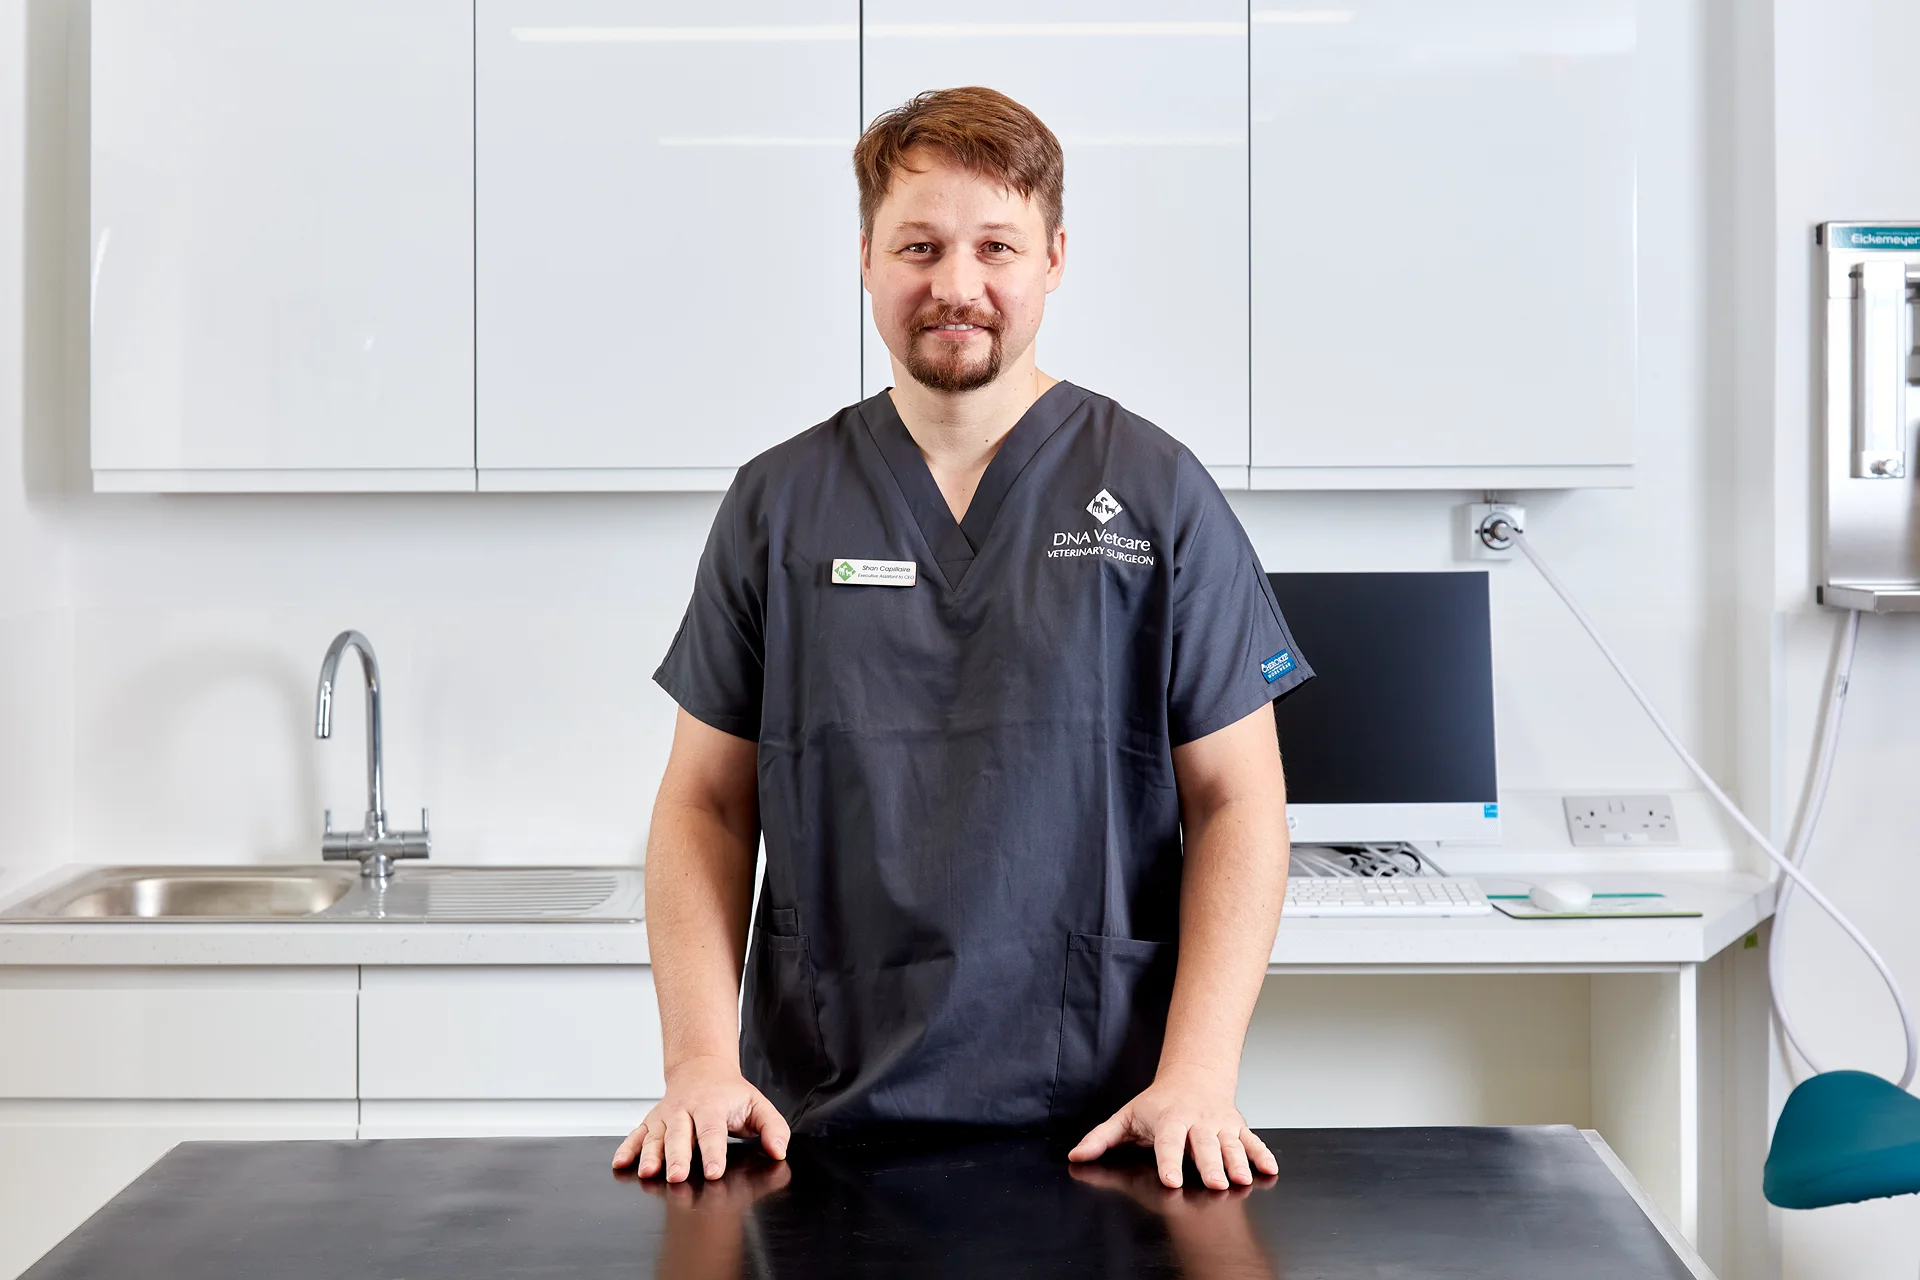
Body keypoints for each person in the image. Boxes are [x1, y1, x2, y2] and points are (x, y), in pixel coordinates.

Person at [613, 86, 1310, 1193]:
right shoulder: (777, 505)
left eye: (997, 245)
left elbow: (1241, 799)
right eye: (920, 246)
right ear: (866, 258)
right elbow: (704, 799)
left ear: (1054, 258)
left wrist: (1200, 1074)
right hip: (816, 1126)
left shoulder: (1155, 492)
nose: (957, 284)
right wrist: (697, 1059)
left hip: (1109, 1125)